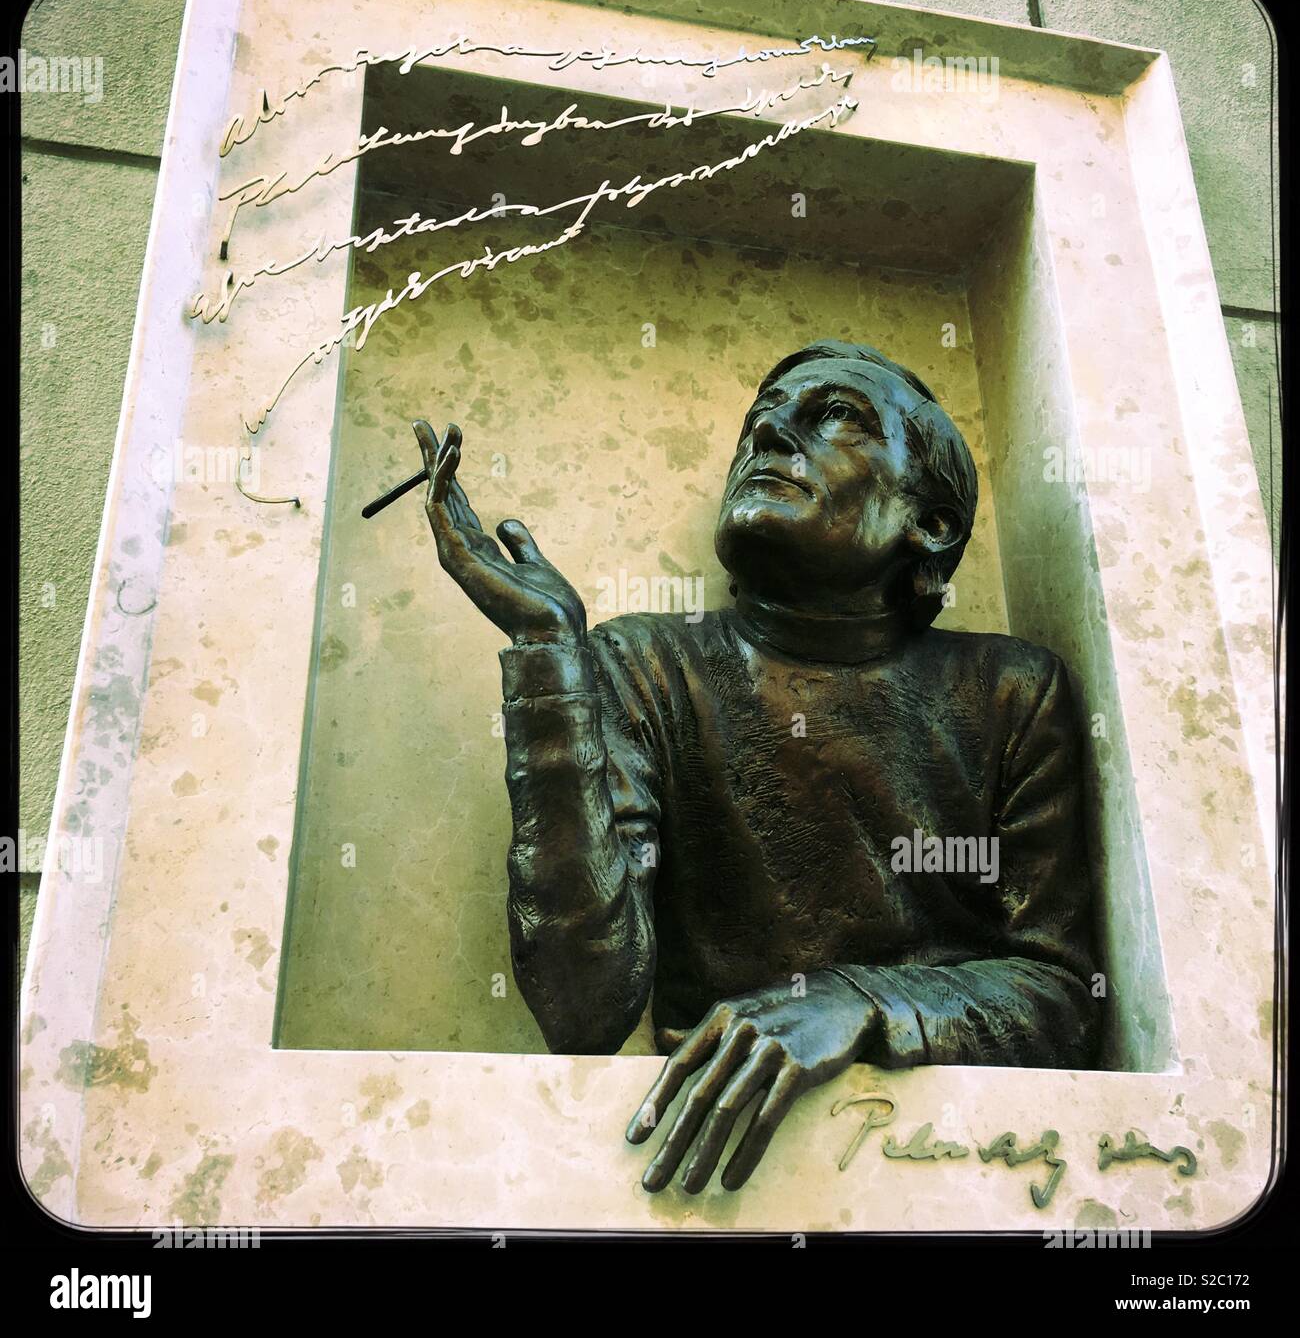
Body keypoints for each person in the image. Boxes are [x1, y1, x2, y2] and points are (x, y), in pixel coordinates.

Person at [412, 338, 1098, 1194]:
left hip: (951, 1164)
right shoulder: (645, 665)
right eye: (759, 423)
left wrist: (857, 1004)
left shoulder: (1010, 692)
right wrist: (553, 660)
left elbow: (1063, 996)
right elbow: (583, 1010)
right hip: (712, 1168)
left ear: (932, 522)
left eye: (835, 416)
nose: (770, 433)